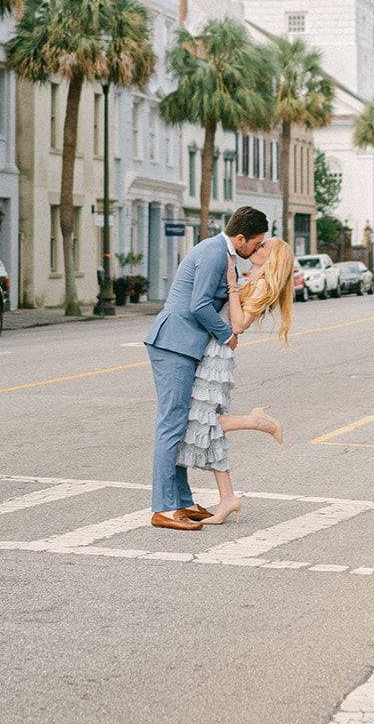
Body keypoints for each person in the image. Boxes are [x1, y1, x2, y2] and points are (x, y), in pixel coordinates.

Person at [144, 206, 269, 531]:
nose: (257, 249)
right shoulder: (215, 253)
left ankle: (182, 502)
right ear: (240, 238)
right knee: (170, 425)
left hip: (183, 345)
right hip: (173, 344)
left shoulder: (221, 254)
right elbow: (198, 303)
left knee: (180, 423)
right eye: (256, 244)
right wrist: (227, 335)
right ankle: (163, 508)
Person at [176, 236, 293, 525]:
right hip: (211, 350)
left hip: (218, 356)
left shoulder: (264, 284)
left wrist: (231, 285)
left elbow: (238, 325)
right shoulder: (253, 279)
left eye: (265, 246)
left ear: (272, 259)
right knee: (208, 428)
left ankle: (258, 422)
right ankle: (227, 498)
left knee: (202, 421)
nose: (258, 247)